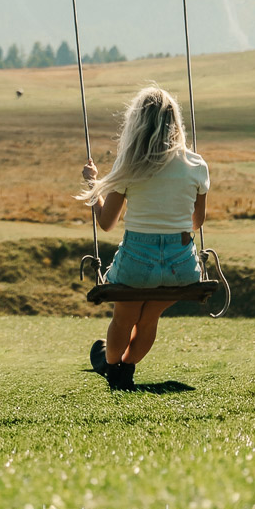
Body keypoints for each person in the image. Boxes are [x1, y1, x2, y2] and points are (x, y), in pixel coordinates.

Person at [79, 84, 209, 390]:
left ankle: (113, 370)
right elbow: (196, 221)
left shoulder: (130, 166)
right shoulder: (196, 165)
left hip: (137, 262)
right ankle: (124, 368)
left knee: (124, 318)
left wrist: (92, 183)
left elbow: (107, 223)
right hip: (181, 268)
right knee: (148, 319)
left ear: (137, 123)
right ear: (175, 122)